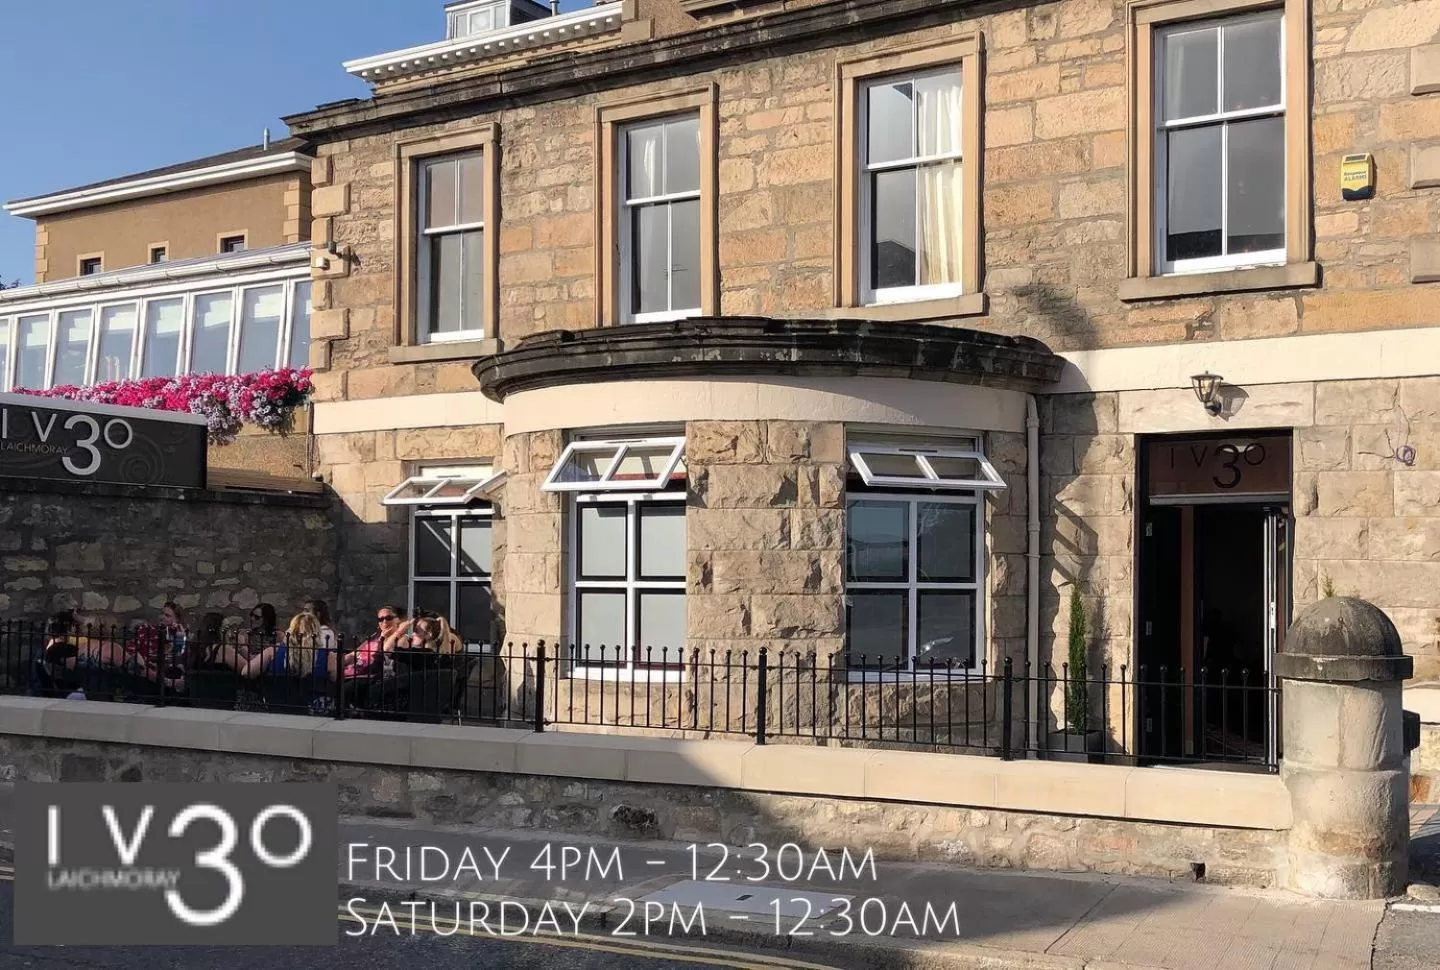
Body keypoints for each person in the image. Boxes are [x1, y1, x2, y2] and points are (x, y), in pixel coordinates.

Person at [344, 605, 405, 680]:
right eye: (381, 619)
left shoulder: (402, 639)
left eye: (388, 618)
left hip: (370, 677)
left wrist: (383, 638)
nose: (384, 621)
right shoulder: (374, 636)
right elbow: (353, 655)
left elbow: (384, 655)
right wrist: (338, 661)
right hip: (352, 672)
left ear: (398, 620)